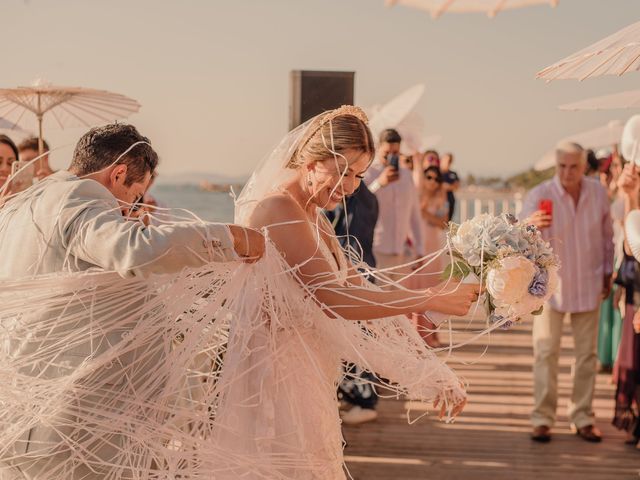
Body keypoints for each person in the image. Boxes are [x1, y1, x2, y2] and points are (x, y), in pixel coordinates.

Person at [0, 123, 265, 479]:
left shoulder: (27, 201)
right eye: (134, 193)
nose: (130, 204)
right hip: (80, 406)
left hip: (33, 394)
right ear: (119, 173)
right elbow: (133, 250)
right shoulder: (78, 199)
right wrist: (226, 238)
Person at [238, 106, 480, 478]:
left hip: (305, 369)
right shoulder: (280, 208)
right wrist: (427, 298)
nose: (350, 187)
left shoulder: (312, 214)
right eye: (342, 173)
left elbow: (360, 291)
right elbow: (335, 300)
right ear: (311, 162)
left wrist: (432, 373)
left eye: (359, 175)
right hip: (274, 375)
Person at [521, 141, 614, 444]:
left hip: (588, 280)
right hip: (550, 286)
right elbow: (518, 237)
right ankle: (542, 418)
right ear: (556, 164)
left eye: (574, 166)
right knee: (546, 352)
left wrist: (607, 272)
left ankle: (583, 416)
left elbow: (607, 236)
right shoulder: (540, 194)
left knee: (587, 355)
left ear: (584, 166)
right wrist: (529, 224)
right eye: (562, 166)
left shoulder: (598, 192)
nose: (567, 172)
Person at [326, 181, 380, 424]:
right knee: (359, 338)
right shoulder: (368, 197)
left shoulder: (352, 201)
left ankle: (364, 399)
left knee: (358, 340)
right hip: (362, 271)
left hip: (353, 275)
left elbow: (347, 240)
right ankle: (355, 394)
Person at [364, 128, 425, 281]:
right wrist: (379, 183)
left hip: (401, 251)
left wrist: (420, 248)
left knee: (399, 301)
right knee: (378, 299)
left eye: (395, 153)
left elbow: (414, 214)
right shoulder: (369, 173)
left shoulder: (406, 176)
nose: (391, 157)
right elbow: (360, 203)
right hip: (376, 249)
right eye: (387, 153)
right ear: (378, 148)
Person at [440, 152, 460, 222]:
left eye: (450, 160)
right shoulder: (437, 173)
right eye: (447, 160)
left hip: (450, 200)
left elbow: (456, 186)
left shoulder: (453, 174)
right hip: (440, 201)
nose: (448, 162)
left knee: (448, 221)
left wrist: (446, 186)